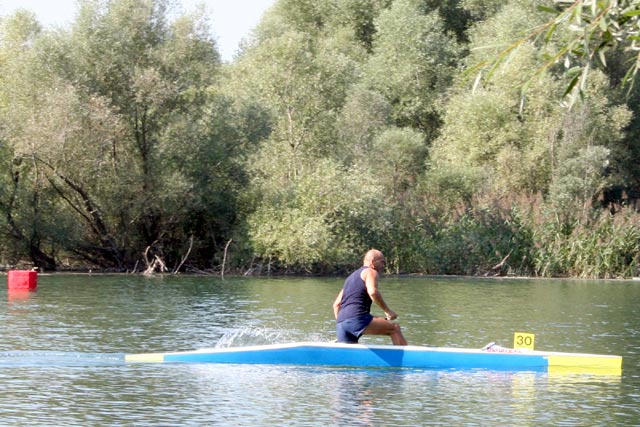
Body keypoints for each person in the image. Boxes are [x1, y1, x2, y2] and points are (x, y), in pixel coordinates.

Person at [333, 249, 407, 345]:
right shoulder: (370, 271)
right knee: (394, 328)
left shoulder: (350, 278)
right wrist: (388, 311)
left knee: (351, 356)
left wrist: (344, 322)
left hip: (341, 322)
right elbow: (373, 292)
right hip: (357, 318)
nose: (383, 266)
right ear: (372, 262)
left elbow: (336, 305)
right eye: (382, 262)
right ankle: (406, 359)